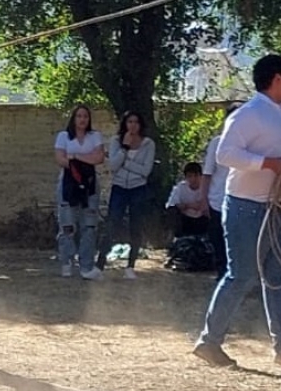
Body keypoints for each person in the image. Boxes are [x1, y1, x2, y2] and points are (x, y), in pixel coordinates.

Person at [194, 54, 281, 369]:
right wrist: (267, 164)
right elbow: (225, 154)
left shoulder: (280, 115)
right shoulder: (249, 114)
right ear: (277, 79)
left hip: (277, 208)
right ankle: (209, 342)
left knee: (278, 278)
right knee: (241, 275)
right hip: (247, 207)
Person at [95, 110, 155, 279]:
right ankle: (100, 264)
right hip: (119, 187)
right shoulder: (116, 141)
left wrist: (125, 162)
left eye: (136, 122)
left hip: (138, 188)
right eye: (130, 122)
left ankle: (130, 266)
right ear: (125, 124)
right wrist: (125, 148)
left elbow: (145, 171)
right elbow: (113, 166)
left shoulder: (148, 144)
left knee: (136, 225)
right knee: (112, 223)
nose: (133, 125)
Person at [54, 104, 105, 279]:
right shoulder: (63, 136)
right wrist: (83, 161)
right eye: (79, 116)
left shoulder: (95, 136)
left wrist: (76, 157)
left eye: (85, 116)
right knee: (67, 224)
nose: (82, 120)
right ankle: (66, 261)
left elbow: (99, 157)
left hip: (89, 184)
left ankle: (86, 265)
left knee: (89, 225)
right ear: (73, 118)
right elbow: (60, 158)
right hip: (68, 183)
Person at [201, 104, 240, 280]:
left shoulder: (250, 145)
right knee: (218, 240)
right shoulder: (217, 143)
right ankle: (222, 273)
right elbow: (207, 173)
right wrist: (204, 200)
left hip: (240, 200)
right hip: (217, 200)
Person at [166, 162, 208, 238]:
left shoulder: (207, 187)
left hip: (203, 219)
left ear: (201, 176)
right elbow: (171, 204)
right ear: (186, 177)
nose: (193, 179)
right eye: (190, 176)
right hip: (185, 219)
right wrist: (189, 206)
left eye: (196, 176)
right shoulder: (180, 187)